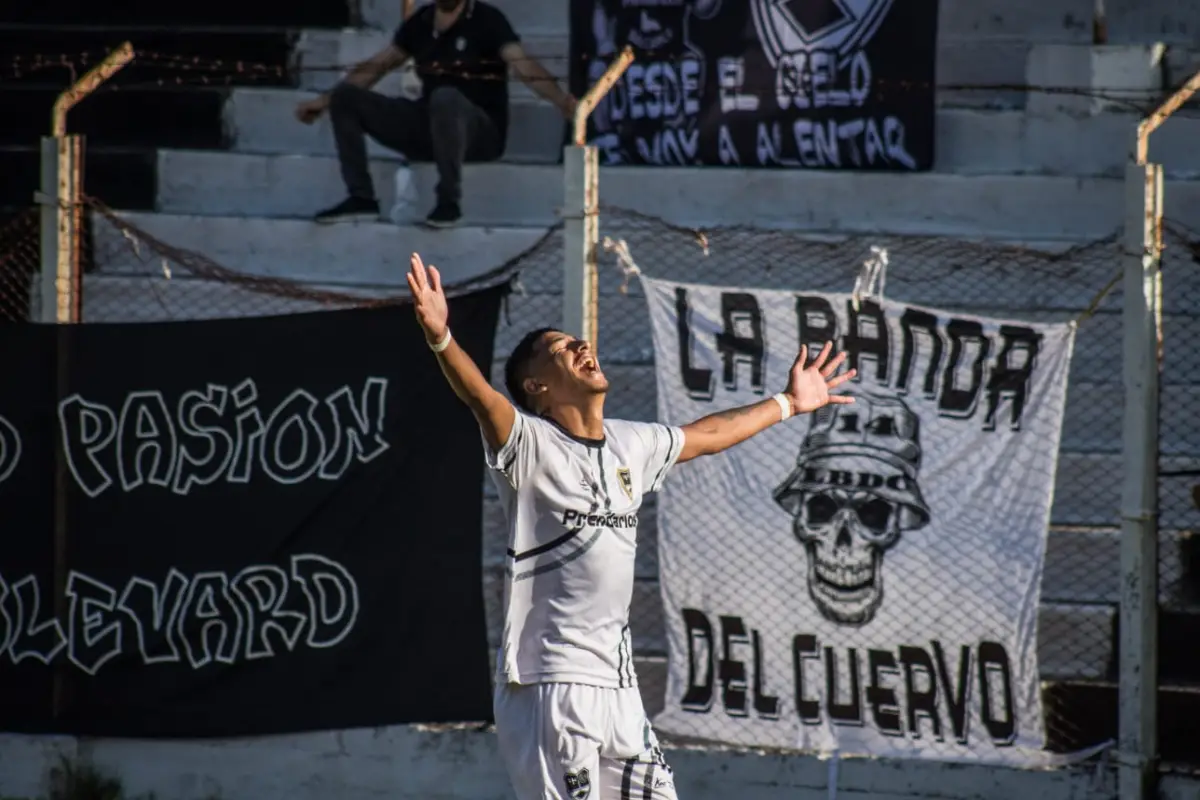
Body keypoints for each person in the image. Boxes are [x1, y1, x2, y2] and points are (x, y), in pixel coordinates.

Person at [405, 252, 856, 798]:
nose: (581, 346)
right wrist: (441, 338)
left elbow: (709, 435)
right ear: (536, 386)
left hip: (619, 689)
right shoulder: (530, 446)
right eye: (561, 348)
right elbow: (481, 397)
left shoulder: (631, 443)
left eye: (579, 340)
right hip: (551, 682)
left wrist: (788, 402)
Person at [295, 0, 577, 229]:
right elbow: (377, 67)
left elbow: (524, 66)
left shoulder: (488, 19)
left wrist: (561, 100)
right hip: (431, 128)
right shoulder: (421, 22)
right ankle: (361, 198)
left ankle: (448, 202)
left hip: (480, 134)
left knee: (446, 97)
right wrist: (324, 101)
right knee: (346, 96)